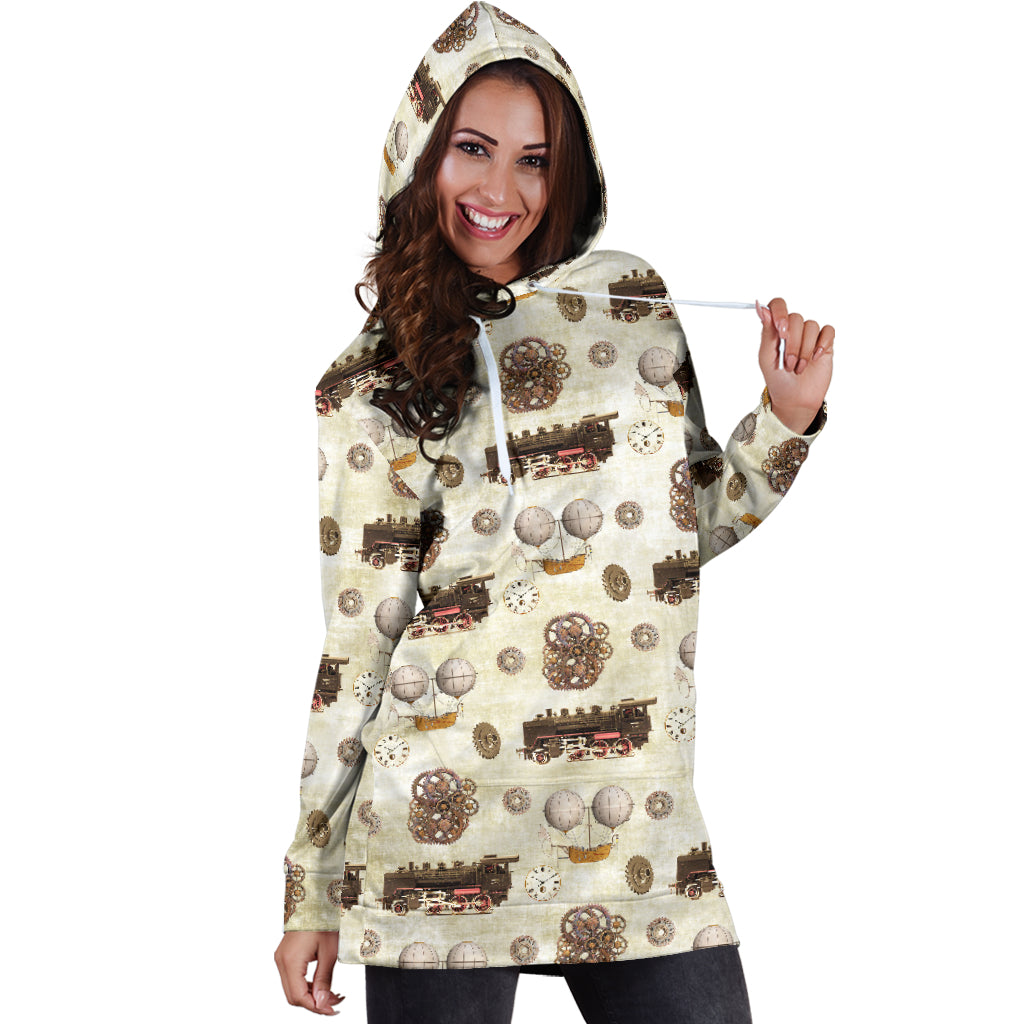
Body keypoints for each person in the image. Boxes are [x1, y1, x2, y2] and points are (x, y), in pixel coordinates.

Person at [274, 4, 833, 1021]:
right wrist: (310, 887)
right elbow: (359, 641)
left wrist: (785, 419)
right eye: (472, 149)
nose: (501, 191)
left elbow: (681, 532)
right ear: (418, 153)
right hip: (438, 835)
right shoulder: (366, 384)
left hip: (637, 827)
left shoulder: (630, 303)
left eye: (533, 160)